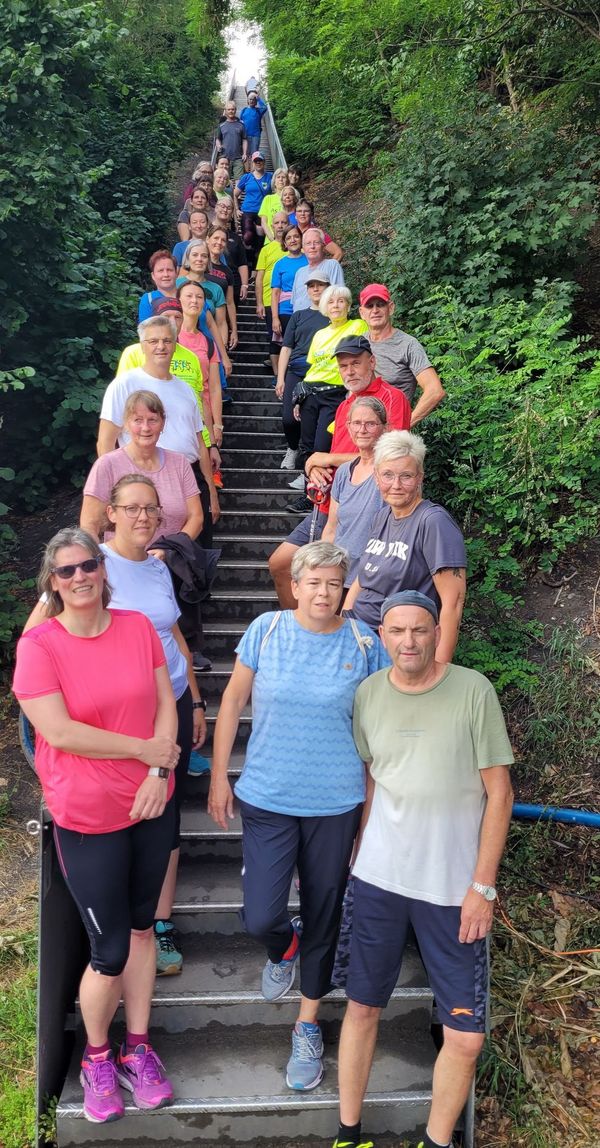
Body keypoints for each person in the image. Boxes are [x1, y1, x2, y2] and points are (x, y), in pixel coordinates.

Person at [332, 590, 514, 1148]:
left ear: (436, 633)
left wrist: (483, 887)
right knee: (362, 1008)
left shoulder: (473, 691)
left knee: (464, 1036)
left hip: (453, 890)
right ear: (382, 636)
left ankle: (435, 1143)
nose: (408, 641)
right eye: (397, 631)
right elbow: (369, 781)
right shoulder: (367, 694)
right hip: (379, 881)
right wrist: (354, 856)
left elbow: (500, 792)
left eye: (419, 630)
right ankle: (348, 1134)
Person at [208, 541, 389, 1093]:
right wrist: (219, 776)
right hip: (268, 795)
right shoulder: (266, 630)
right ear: (296, 583)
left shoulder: (364, 642)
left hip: (335, 802)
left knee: (325, 912)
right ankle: (280, 947)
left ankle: (307, 1022)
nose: (324, 592)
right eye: (314, 582)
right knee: (260, 915)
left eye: (335, 584)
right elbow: (234, 700)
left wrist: (372, 808)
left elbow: (382, 726)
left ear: (345, 589)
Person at [14, 527, 180, 1122]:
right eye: (67, 571)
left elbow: (166, 700)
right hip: (88, 816)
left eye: (88, 565)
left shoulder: (136, 627)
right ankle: (96, 1057)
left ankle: (138, 1049)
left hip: (151, 805)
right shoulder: (40, 645)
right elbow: (59, 733)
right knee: (108, 948)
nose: (81, 577)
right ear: (51, 583)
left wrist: (159, 772)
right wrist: (143, 751)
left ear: (102, 570)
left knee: (140, 932)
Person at [270, 342, 413, 605]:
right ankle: (303, 630)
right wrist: (315, 468)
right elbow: (336, 458)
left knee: (337, 587)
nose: (349, 371)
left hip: (364, 505)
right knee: (280, 564)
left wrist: (325, 457)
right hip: (330, 501)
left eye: (355, 363)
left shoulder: (392, 398)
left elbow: (392, 457)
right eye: (343, 366)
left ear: (372, 362)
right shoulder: (345, 405)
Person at [97, 315, 220, 549]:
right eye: (153, 341)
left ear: (176, 344)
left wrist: (211, 491)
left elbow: (199, 442)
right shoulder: (125, 384)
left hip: (190, 476)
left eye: (167, 340)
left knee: (196, 552)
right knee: (148, 548)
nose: (161, 347)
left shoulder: (185, 389)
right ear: (142, 346)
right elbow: (105, 444)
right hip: (141, 474)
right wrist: (115, 489)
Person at [344, 431, 467, 663]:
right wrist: (344, 620)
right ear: (376, 477)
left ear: (420, 477)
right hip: (356, 634)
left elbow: (454, 602)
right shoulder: (382, 517)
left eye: (406, 476)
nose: (396, 485)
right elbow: (363, 578)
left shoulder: (433, 521)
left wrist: (439, 669)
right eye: (388, 475)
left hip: (395, 644)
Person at [82, 390, 202, 545]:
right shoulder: (107, 465)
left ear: (163, 423)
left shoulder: (180, 463)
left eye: (152, 420)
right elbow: (89, 525)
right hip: (122, 565)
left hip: (172, 562)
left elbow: (196, 517)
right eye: (138, 420)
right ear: (126, 423)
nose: (145, 428)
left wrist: (170, 549)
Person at [115, 299, 220, 468]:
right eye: (166, 316)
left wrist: (211, 444)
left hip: (188, 454)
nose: (172, 321)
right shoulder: (133, 353)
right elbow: (120, 407)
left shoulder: (191, 358)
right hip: (142, 457)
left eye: (177, 317)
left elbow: (200, 403)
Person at [295, 285, 367, 475]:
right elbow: (313, 367)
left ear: (348, 306)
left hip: (335, 392)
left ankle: (320, 493)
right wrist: (299, 397)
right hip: (310, 393)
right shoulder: (319, 334)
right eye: (331, 302)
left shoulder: (357, 326)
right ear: (325, 307)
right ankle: (308, 492)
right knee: (306, 445)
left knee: (322, 445)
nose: (336, 306)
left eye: (341, 301)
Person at [359, 284, 445, 426]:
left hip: (390, 430)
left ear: (391, 308)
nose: (375, 310)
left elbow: (435, 390)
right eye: (369, 306)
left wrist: (403, 426)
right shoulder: (358, 343)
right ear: (362, 313)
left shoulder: (408, 345)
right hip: (359, 427)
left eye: (380, 305)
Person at [275, 271, 330, 469]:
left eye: (320, 285)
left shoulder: (334, 317)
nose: (316, 289)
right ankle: (292, 448)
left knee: (312, 421)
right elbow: (286, 347)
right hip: (297, 371)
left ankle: (311, 465)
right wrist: (280, 378)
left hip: (322, 375)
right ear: (306, 290)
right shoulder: (298, 316)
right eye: (311, 285)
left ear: (327, 288)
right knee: (289, 419)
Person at [177, 281, 224, 452]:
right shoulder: (168, 339)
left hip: (202, 415)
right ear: (179, 300)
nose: (194, 301)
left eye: (199, 297)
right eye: (189, 296)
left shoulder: (208, 342)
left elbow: (214, 388)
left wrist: (217, 424)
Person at [255, 212, 292, 378]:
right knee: (274, 337)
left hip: (291, 302)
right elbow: (259, 277)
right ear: (272, 226)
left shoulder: (295, 247)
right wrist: (259, 303)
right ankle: (278, 376)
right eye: (276, 223)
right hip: (271, 299)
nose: (280, 226)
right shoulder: (266, 250)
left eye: (283, 222)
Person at [291, 229, 345, 311]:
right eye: (308, 243)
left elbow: (338, 297)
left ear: (323, 246)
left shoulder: (332, 265)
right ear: (303, 248)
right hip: (299, 321)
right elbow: (295, 302)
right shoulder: (299, 272)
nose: (312, 246)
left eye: (316, 242)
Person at [270, 225, 307, 344]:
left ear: (301, 239)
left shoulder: (310, 260)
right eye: (289, 238)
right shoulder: (279, 264)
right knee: (289, 346)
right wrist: (275, 318)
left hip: (307, 308)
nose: (293, 240)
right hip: (286, 310)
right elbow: (275, 293)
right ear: (285, 243)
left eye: (296, 236)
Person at [235, 152, 274, 261]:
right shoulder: (246, 177)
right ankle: (248, 261)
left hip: (263, 212)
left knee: (260, 240)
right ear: (252, 163)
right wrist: (236, 209)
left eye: (260, 160)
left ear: (264, 162)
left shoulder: (270, 177)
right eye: (256, 161)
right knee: (247, 237)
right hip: (247, 210)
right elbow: (235, 194)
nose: (258, 163)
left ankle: (255, 266)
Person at [206, 226, 239, 350]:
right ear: (207, 239)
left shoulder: (227, 271)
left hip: (219, 322)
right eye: (216, 238)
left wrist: (234, 330)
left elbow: (230, 303)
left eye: (223, 240)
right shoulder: (196, 263)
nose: (219, 242)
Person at [213, 196, 249, 303]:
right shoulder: (207, 232)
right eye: (222, 206)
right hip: (211, 279)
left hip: (233, 283)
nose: (225, 210)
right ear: (215, 208)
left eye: (229, 208)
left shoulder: (235, 238)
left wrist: (245, 285)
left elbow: (242, 262)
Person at [137, 250, 179, 321]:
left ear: (176, 273)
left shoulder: (186, 296)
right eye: (160, 270)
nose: (166, 274)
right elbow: (145, 329)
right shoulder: (148, 299)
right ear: (153, 275)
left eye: (169, 270)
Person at [216, 101, 247, 180]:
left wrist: (244, 153)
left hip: (238, 157)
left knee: (239, 181)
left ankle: (237, 192)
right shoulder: (221, 126)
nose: (231, 111)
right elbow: (218, 139)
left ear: (235, 110)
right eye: (229, 109)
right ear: (225, 111)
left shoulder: (241, 125)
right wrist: (218, 146)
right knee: (224, 180)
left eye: (232, 109)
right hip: (225, 158)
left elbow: (244, 140)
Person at [259, 168, 289, 240]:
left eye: (283, 177)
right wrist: (272, 239)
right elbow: (264, 222)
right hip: (271, 240)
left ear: (287, 181)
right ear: (274, 182)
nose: (281, 179)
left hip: (288, 240)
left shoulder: (290, 199)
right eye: (278, 177)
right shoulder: (268, 199)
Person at [240, 89, 268, 159]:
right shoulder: (244, 110)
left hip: (255, 136)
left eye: (253, 99)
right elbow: (240, 122)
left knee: (254, 155)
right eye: (250, 99)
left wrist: (258, 98)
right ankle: (246, 169)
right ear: (248, 100)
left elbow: (265, 107)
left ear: (256, 101)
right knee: (245, 154)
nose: (252, 101)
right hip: (245, 136)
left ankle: (253, 169)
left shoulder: (258, 111)